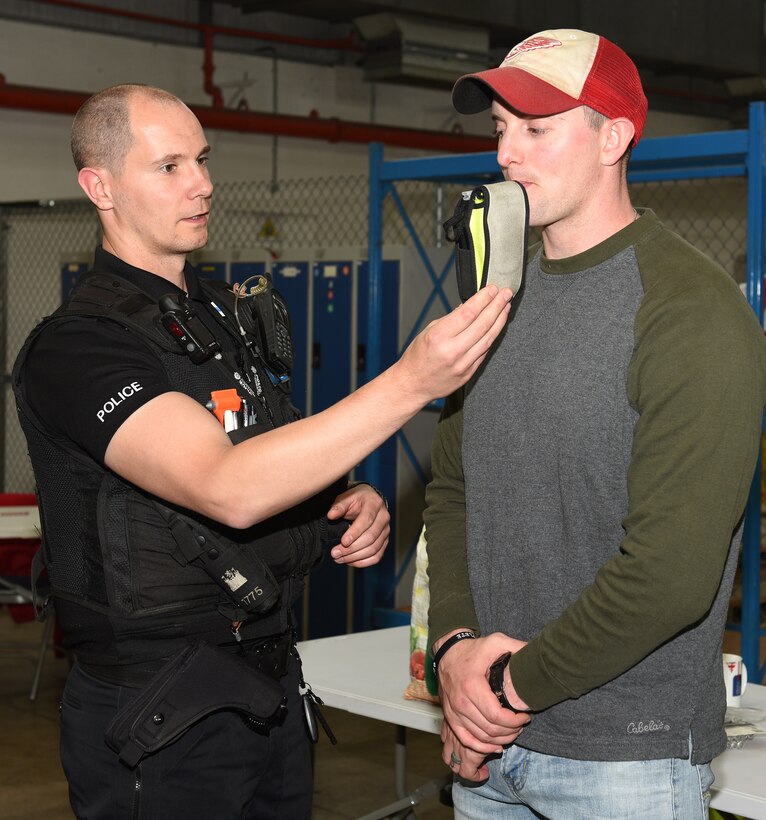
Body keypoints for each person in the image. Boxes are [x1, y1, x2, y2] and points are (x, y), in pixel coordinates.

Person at [11, 84, 513, 820]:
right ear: (100, 186)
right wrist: (411, 382)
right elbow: (226, 487)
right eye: (170, 166)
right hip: (160, 710)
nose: (203, 183)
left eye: (204, 160)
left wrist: (343, 500)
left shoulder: (217, 318)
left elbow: (271, 454)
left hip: (268, 689)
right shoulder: (80, 346)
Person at [424, 28, 766, 819]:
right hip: (489, 752)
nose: (508, 154)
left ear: (613, 137)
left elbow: (668, 577)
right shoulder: (494, 297)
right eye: (502, 130)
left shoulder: (690, 312)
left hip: (625, 762)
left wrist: (499, 690)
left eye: (537, 129)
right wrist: (452, 653)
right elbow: (452, 490)